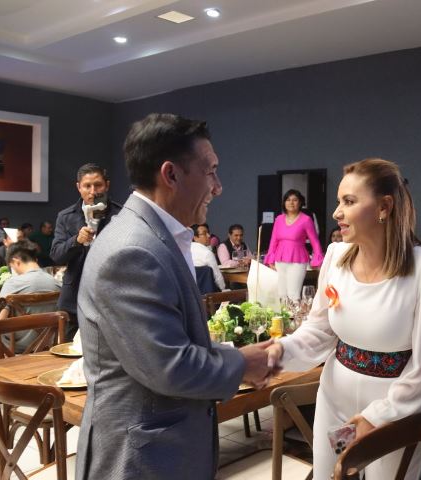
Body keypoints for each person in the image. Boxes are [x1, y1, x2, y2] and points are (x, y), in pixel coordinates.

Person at [75, 113, 274, 480]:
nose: (218, 187)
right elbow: (169, 366)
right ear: (170, 175)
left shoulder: (159, 236)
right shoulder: (131, 250)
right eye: (211, 171)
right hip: (141, 459)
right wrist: (242, 363)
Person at [266, 158, 421, 479]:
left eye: (349, 202)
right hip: (334, 402)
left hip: (394, 412)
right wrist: (278, 352)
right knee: (330, 475)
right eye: (339, 201)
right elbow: (319, 331)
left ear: (384, 207)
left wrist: (377, 416)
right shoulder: (335, 257)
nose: (336, 213)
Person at [50, 163, 121, 340]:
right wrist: (76, 240)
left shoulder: (121, 215)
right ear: (78, 187)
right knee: (66, 351)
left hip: (110, 299)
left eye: (98, 185)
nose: (93, 191)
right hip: (73, 299)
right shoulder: (66, 216)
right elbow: (57, 255)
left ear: (107, 185)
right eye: (87, 186)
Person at [0, 240, 60, 352]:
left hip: (13, 349)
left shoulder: (12, 284)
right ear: (35, 260)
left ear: (16, 261)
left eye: (12, 266)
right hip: (47, 346)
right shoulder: (56, 284)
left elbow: (0, 320)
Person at [264, 189, 324, 300]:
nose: (291, 202)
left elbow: (315, 242)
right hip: (279, 259)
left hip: (298, 260)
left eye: (295, 200)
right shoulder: (279, 219)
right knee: (281, 294)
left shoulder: (306, 220)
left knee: (293, 294)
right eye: (288, 200)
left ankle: (295, 312)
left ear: (300, 202)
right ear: (284, 202)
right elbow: (273, 240)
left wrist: (317, 260)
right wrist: (270, 259)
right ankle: (283, 312)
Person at [191, 223, 226, 291]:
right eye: (204, 233)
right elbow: (218, 277)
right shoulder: (206, 253)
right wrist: (224, 289)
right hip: (209, 294)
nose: (209, 235)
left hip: (191, 293)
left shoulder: (185, 251)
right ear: (195, 238)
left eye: (208, 232)